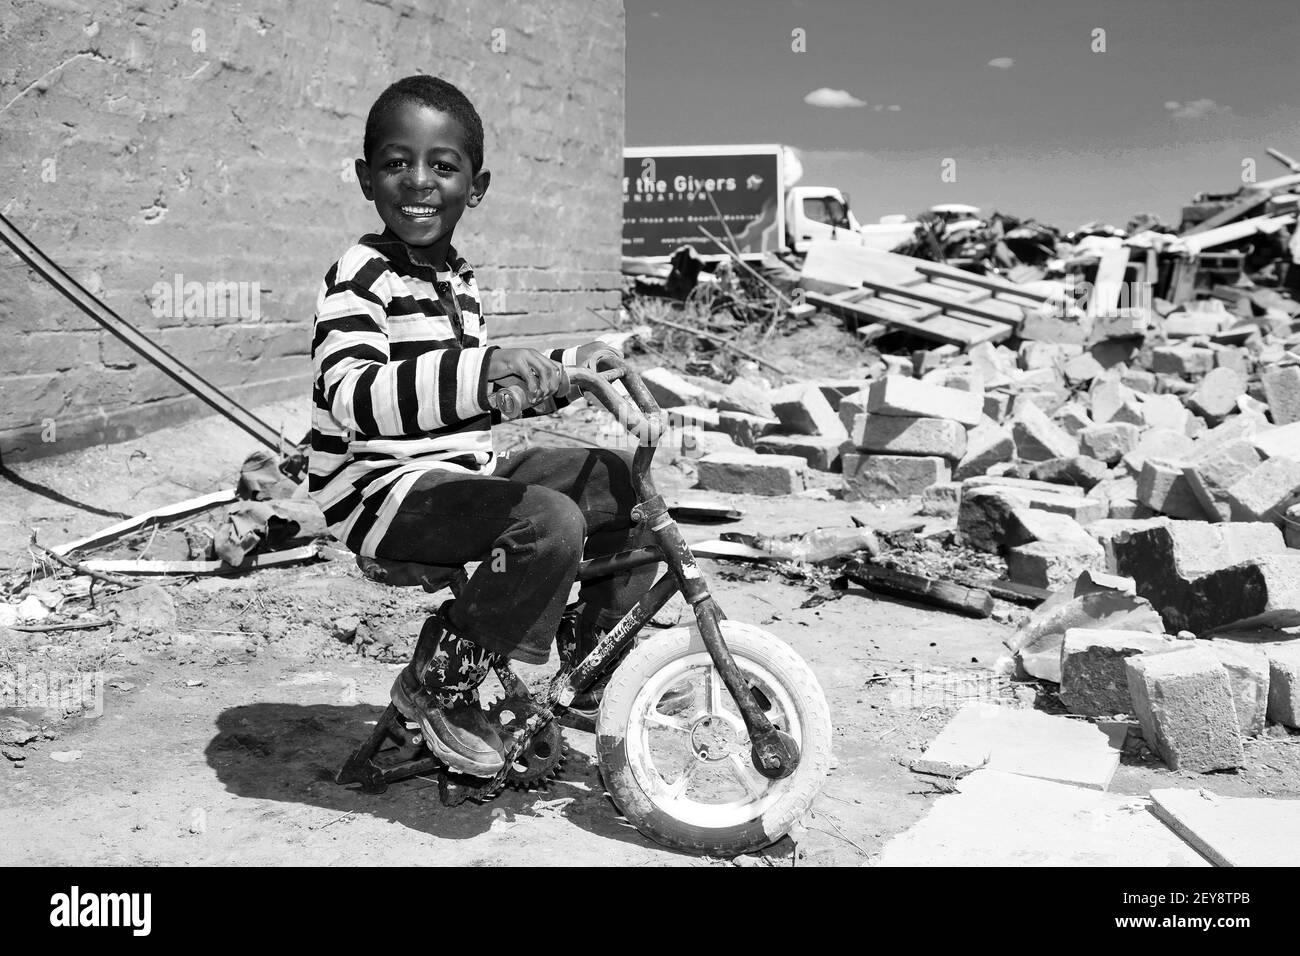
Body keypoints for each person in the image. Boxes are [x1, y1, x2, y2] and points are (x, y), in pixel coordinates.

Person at [309, 76, 659, 777]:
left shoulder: (458, 281)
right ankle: (442, 681)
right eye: (395, 162)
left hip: (456, 473)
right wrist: (483, 372)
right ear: (364, 178)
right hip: (380, 490)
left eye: (443, 166)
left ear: (477, 185)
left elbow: (480, 394)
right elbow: (352, 394)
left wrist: (564, 368)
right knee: (548, 523)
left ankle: (593, 666)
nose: (418, 181)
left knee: (618, 485)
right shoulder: (361, 276)